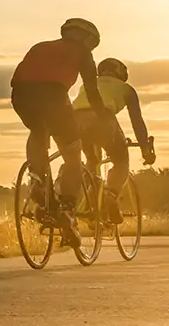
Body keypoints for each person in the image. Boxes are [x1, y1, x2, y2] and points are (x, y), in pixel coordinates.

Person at [10, 18, 110, 249]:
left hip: (21, 95)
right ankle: (68, 207)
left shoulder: (40, 46)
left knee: (37, 130)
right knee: (73, 155)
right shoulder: (83, 53)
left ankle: (37, 177)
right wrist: (103, 116)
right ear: (87, 39)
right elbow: (92, 91)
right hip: (54, 95)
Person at [71, 58, 157, 223]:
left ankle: (90, 205)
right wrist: (145, 148)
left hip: (75, 121)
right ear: (121, 73)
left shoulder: (87, 84)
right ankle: (110, 197)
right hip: (102, 119)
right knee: (121, 161)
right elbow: (137, 121)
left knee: (92, 160)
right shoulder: (126, 89)